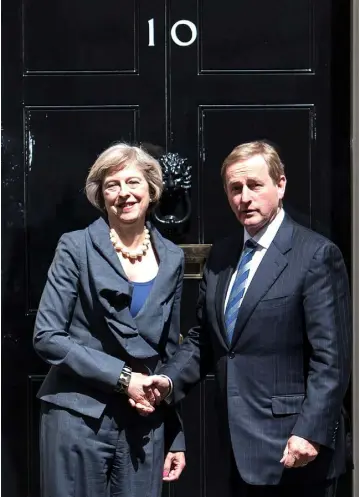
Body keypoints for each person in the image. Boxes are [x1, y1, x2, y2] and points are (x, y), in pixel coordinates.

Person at [132, 141, 352, 497]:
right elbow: (206, 337)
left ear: (280, 185)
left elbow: (333, 360)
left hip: (296, 450)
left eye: (254, 185)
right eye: (235, 189)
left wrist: (310, 431)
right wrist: (168, 382)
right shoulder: (222, 255)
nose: (244, 198)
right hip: (236, 448)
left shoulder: (316, 256)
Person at [33, 143, 186, 497]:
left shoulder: (174, 258)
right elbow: (47, 335)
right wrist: (123, 379)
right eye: (111, 185)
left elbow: (168, 354)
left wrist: (175, 433)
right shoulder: (75, 247)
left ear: (151, 189)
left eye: (132, 182)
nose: (123, 193)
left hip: (144, 424)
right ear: (101, 196)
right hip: (77, 417)